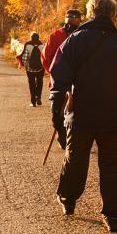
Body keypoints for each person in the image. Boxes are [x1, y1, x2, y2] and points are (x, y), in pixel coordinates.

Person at [50, 0, 117, 232]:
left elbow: (58, 76)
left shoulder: (73, 42)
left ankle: (68, 200)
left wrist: (56, 113)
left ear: (90, 12)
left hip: (80, 114)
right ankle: (112, 215)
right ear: (112, 15)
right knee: (113, 163)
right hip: (113, 115)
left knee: (76, 159)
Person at [41, 9, 82, 149]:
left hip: (77, 83)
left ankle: (70, 138)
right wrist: (55, 74)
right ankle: (63, 136)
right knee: (58, 114)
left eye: (75, 20)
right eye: (71, 19)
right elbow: (45, 58)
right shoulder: (56, 36)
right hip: (61, 83)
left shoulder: (82, 36)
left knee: (75, 113)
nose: (72, 22)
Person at [17, 32, 45, 107]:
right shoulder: (42, 46)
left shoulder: (28, 46)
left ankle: (33, 101)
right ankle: (38, 97)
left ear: (31, 38)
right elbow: (45, 57)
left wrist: (26, 66)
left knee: (31, 84)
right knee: (40, 83)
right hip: (40, 69)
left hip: (30, 69)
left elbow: (25, 58)